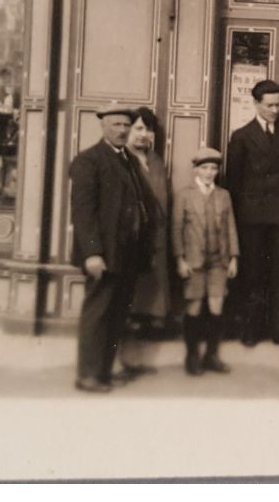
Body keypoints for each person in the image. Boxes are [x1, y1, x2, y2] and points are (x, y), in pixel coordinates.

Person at [68, 103, 160, 394]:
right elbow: (83, 212)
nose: (121, 130)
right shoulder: (89, 161)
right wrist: (93, 253)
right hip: (104, 254)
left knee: (117, 313)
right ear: (103, 126)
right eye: (116, 125)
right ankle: (88, 375)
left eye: (126, 126)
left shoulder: (128, 160)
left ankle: (103, 372)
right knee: (98, 313)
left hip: (127, 253)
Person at [221, 80, 279, 350]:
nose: (274, 110)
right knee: (253, 273)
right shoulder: (241, 136)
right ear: (256, 104)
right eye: (269, 105)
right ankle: (251, 329)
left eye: (278, 105)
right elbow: (233, 181)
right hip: (251, 218)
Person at [118, 107, 176, 381]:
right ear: (128, 130)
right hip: (130, 238)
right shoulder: (121, 160)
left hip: (156, 238)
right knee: (126, 300)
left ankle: (139, 359)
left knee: (149, 295)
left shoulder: (156, 161)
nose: (144, 134)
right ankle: (124, 361)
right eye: (139, 128)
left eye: (148, 129)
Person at [172, 147, 240, 375]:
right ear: (196, 170)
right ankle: (192, 357)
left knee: (216, 304)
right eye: (205, 168)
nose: (209, 173)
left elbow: (231, 228)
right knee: (194, 304)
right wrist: (180, 259)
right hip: (194, 260)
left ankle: (212, 356)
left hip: (218, 260)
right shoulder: (184, 195)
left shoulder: (224, 195)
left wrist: (233, 258)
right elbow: (176, 229)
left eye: (213, 168)